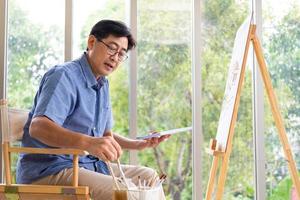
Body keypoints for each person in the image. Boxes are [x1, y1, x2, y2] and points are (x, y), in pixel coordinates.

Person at [16, 19, 170, 199]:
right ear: (91, 42)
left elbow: (104, 137)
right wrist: (88, 143)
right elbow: (38, 127)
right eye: (112, 48)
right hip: (50, 170)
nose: (115, 57)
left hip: (86, 164)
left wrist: (137, 144)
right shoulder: (63, 76)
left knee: (150, 178)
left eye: (121, 54)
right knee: (127, 193)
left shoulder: (102, 84)